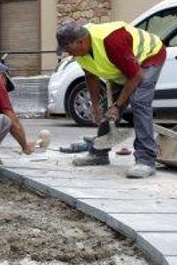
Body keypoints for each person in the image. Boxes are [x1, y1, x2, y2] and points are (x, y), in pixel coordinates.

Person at [55, 19, 166, 178]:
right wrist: (95, 106)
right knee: (109, 106)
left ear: (81, 41)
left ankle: (146, 160)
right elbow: (90, 75)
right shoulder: (80, 50)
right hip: (125, 65)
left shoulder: (111, 41)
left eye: (68, 49)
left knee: (139, 101)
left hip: (149, 57)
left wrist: (118, 105)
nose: (68, 53)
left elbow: (136, 76)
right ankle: (99, 153)